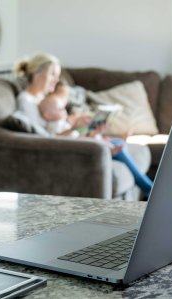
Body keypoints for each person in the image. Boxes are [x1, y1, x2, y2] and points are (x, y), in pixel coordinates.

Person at [15, 53, 153, 195]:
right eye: (52, 75)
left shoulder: (44, 99)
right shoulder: (26, 101)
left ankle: (150, 189)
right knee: (117, 146)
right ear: (37, 73)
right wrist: (76, 129)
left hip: (72, 139)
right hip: (63, 147)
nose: (56, 80)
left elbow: (63, 130)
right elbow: (45, 139)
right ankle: (150, 189)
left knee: (117, 143)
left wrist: (88, 132)